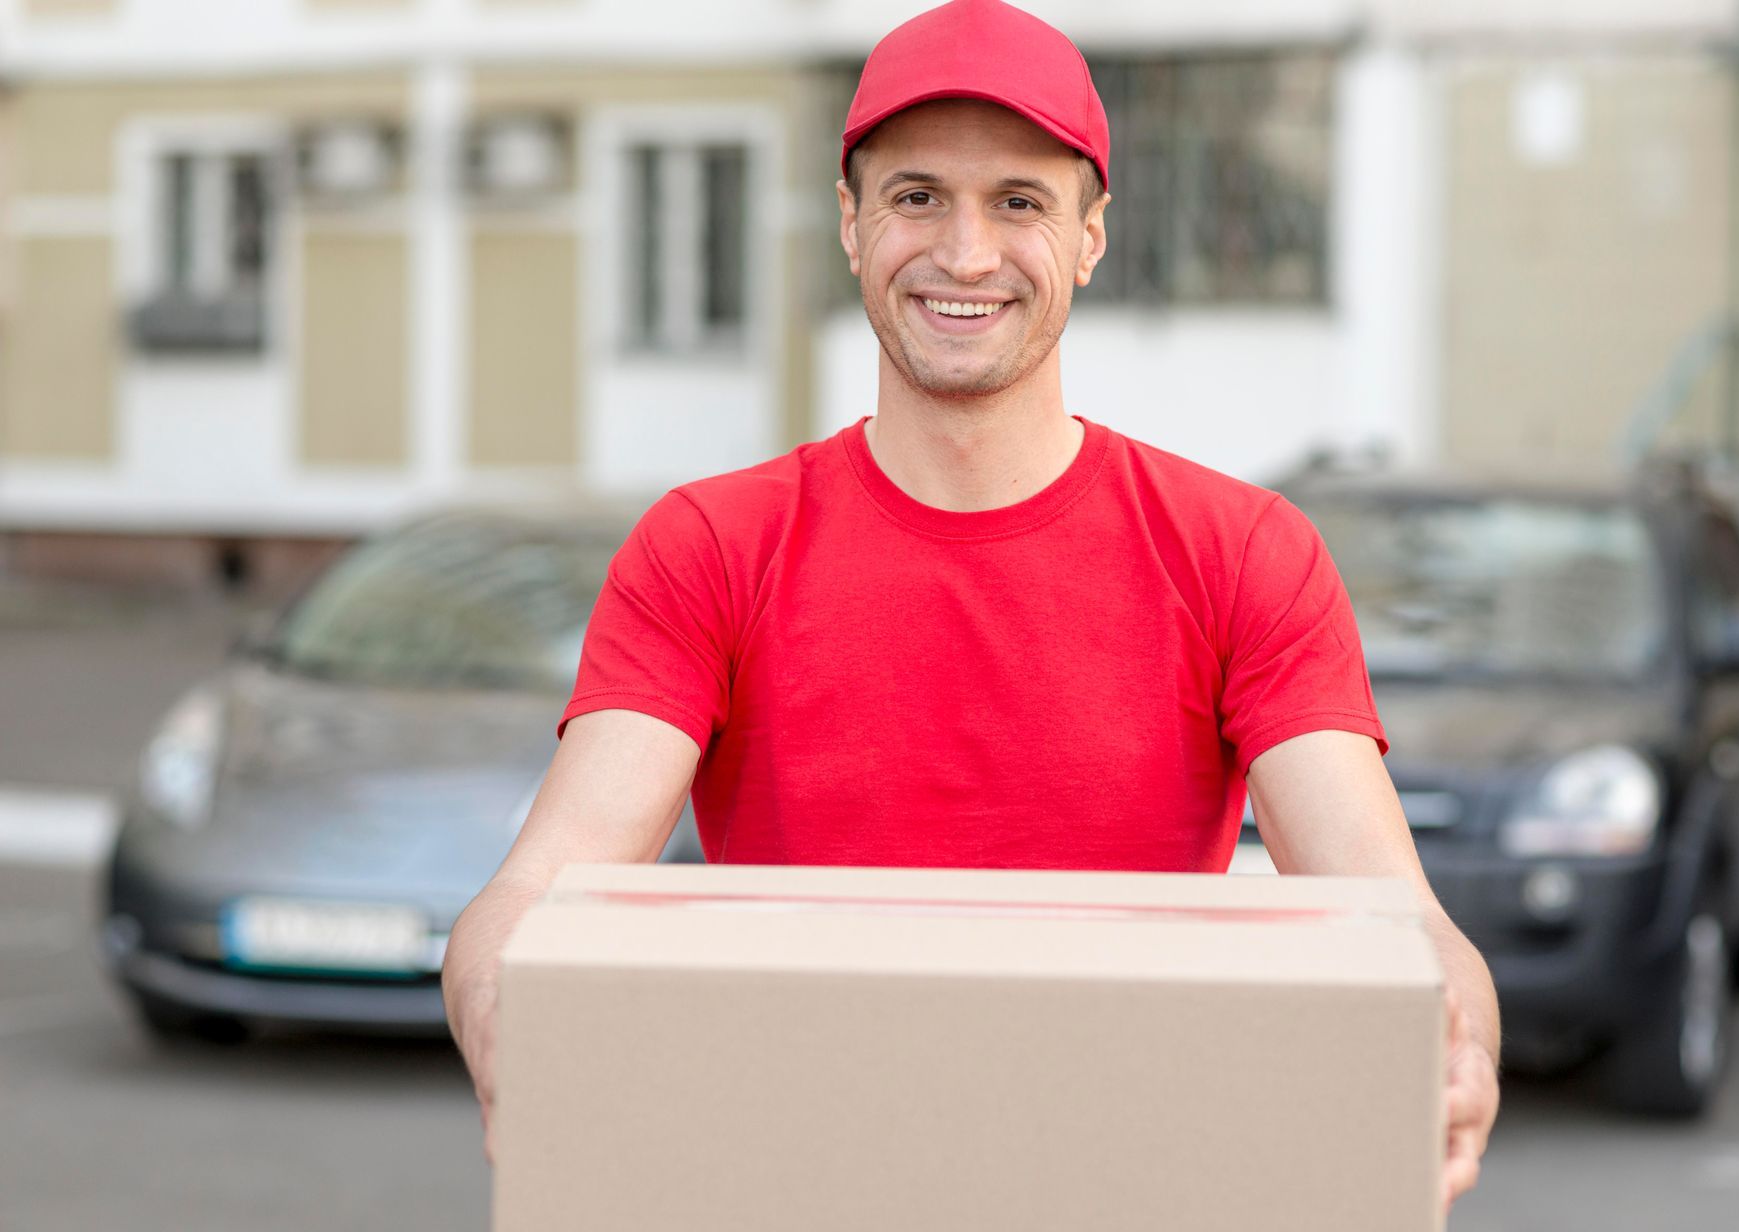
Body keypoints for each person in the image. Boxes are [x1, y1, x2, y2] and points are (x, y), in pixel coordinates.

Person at [444, 0, 1499, 1213]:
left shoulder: (1242, 553)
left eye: (1019, 202)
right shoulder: (712, 548)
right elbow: (536, 892)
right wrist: (503, 1008)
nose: (964, 254)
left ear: (1092, 235)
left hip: (1135, 1183)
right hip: (796, 1182)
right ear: (849, 223)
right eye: (916, 197)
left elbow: (1393, 915)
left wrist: (1456, 1039)